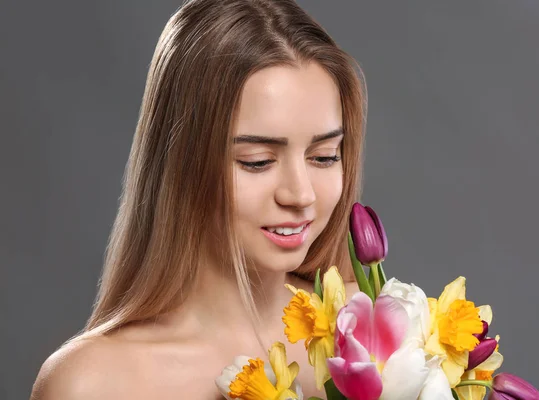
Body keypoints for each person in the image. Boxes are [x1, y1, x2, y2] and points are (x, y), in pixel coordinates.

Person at [30, 0, 367, 398]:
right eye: (257, 162)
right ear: (182, 165)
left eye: (324, 156)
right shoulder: (92, 383)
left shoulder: (367, 330)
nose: (301, 194)